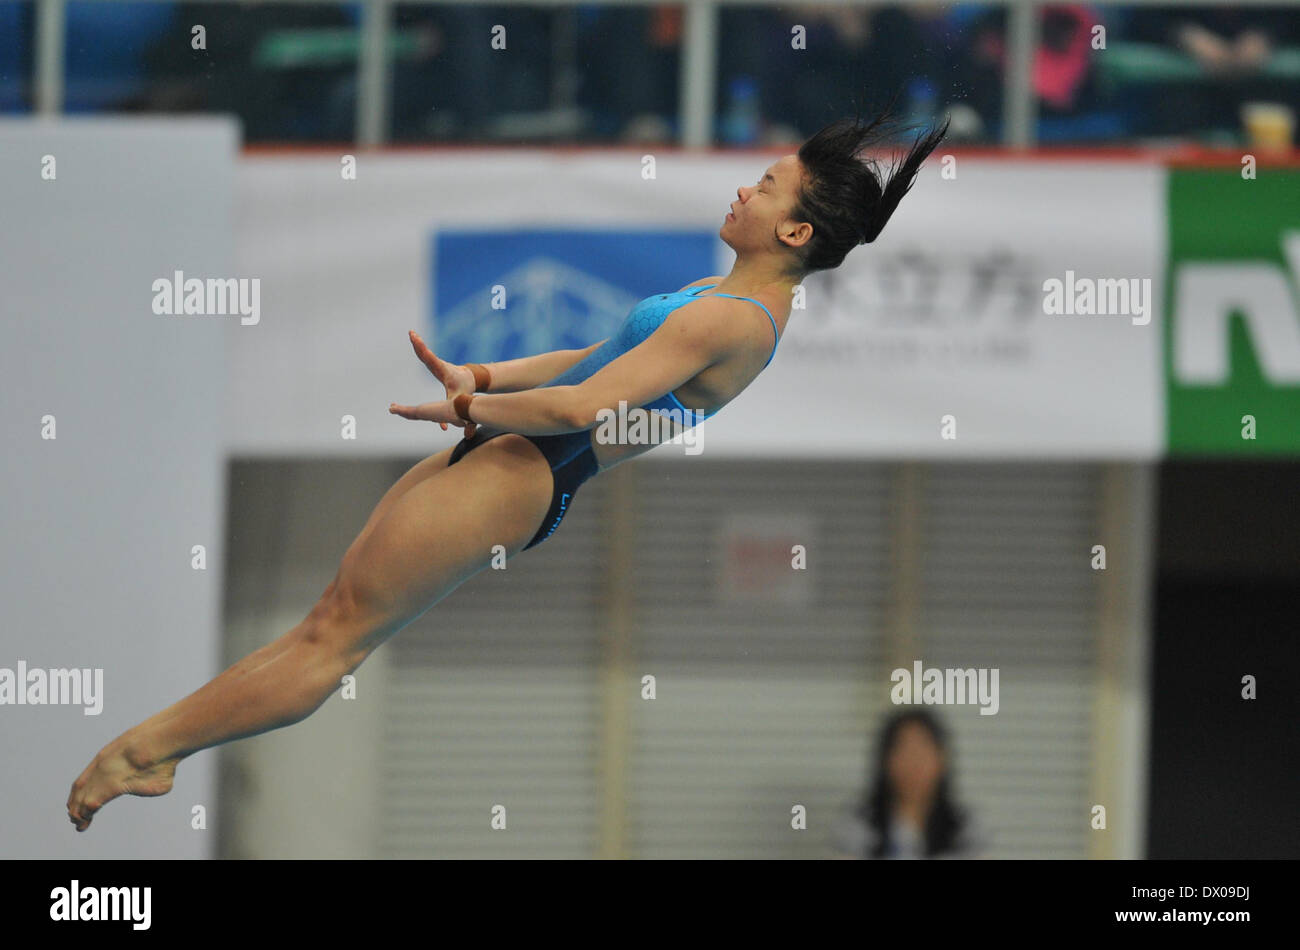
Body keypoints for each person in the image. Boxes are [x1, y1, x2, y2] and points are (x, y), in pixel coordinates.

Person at [66, 106, 948, 831]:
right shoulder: (725, 299)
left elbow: (580, 408)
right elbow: (591, 354)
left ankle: (147, 752)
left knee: (334, 641)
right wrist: (481, 378)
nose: (743, 189)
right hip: (514, 454)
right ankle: (156, 749)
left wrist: (468, 411)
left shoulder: (739, 323)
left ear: (794, 229)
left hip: (530, 469)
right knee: (331, 620)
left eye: (764, 187)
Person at [831, 710, 984, 858]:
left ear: (942, 760)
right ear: (885, 761)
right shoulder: (859, 823)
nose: (914, 764)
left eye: (922, 752)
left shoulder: (964, 826)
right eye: (905, 752)